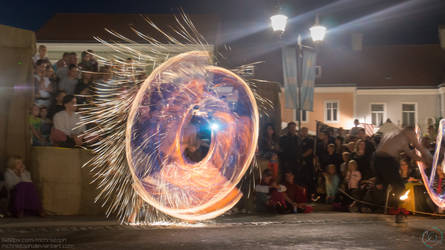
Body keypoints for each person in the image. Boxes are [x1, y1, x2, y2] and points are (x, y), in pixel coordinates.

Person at [373, 126, 431, 222]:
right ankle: (397, 212)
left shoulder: (392, 133)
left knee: (392, 187)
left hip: (376, 159)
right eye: (413, 134)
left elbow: (410, 153)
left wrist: (422, 160)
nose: (413, 137)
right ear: (409, 132)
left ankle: (394, 208)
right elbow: (418, 146)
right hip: (387, 161)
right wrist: (428, 157)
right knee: (400, 188)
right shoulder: (406, 136)